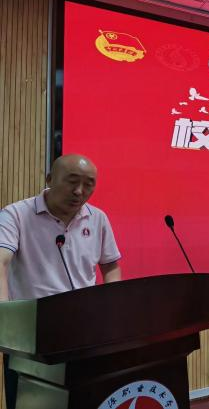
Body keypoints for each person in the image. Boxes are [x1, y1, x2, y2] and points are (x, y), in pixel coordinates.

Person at [0, 154, 122, 409]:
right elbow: (1, 262)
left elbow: (110, 266)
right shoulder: (16, 215)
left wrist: (111, 312)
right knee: (30, 401)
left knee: (84, 398)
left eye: (89, 184)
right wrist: (5, 317)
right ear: (49, 179)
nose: (79, 191)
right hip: (31, 333)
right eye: (72, 181)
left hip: (84, 331)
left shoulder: (98, 218)